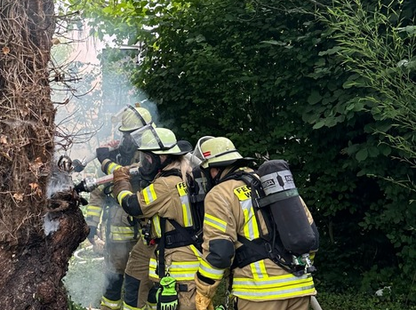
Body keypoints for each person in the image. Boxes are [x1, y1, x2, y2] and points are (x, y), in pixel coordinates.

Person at [193, 137, 318, 310]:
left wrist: (204, 290)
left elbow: (219, 252)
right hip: (300, 288)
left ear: (213, 169)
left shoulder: (219, 194)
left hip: (259, 295)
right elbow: (311, 236)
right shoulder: (273, 183)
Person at [111, 126, 201, 310]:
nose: (146, 162)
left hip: (177, 255)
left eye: (149, 158)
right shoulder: (183, 174)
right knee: (136, 279)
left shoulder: (166, 184)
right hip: (161, 245)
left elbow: (132, 205)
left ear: (162, 157)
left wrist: (121, 183)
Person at [87, 102, 155, 310]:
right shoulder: (116, 154)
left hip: (148, 229)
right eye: (127, 134)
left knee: (149, 277)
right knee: (114, 276)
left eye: (133, 134)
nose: (130, 139)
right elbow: (98, 191)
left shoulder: (154, 154)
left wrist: (106, 163)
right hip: (118, 230)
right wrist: (91, 222)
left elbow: (137, 170)